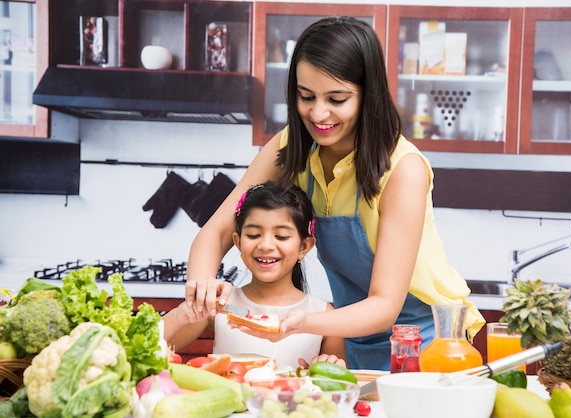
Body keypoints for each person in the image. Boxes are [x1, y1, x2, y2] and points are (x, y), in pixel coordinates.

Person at [184, 16, 485, 370]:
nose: (318, 113)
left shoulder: (403, 169)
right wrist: (202, 286)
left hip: (427, 340)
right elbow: (216, 231)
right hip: (354, 331)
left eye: (337, 99)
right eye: (306, 96)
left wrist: (300, 321)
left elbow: (385, 304)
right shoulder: (290, 149)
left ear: (367, 96)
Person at [164, 181, 346, 369]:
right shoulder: (219, 306)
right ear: (238, 242)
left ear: (304, 247)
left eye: (281, 236)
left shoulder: (323, 314)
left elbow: (337, 380)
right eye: (253, 235)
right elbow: (154, 345)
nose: (265, 245)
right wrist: (183, 311)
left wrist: (328, 366)